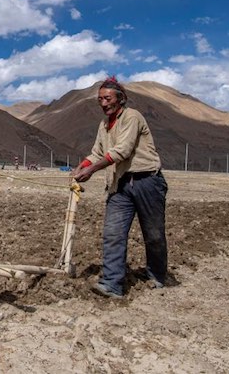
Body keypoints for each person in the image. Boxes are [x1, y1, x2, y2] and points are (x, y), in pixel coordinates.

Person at [72, 76, 168, 299]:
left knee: (153, 234)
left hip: (147, 182)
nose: (103, 104)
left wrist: (92, 170)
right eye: (100, 100)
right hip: (120, 184)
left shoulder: (132, 117)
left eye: (107, 99)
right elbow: (97, 152)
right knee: (113, 233)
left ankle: (156, 276)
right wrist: (82, 166)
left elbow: (122, 150)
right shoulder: (104, 125)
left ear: (121, 99)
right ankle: (111, 283)